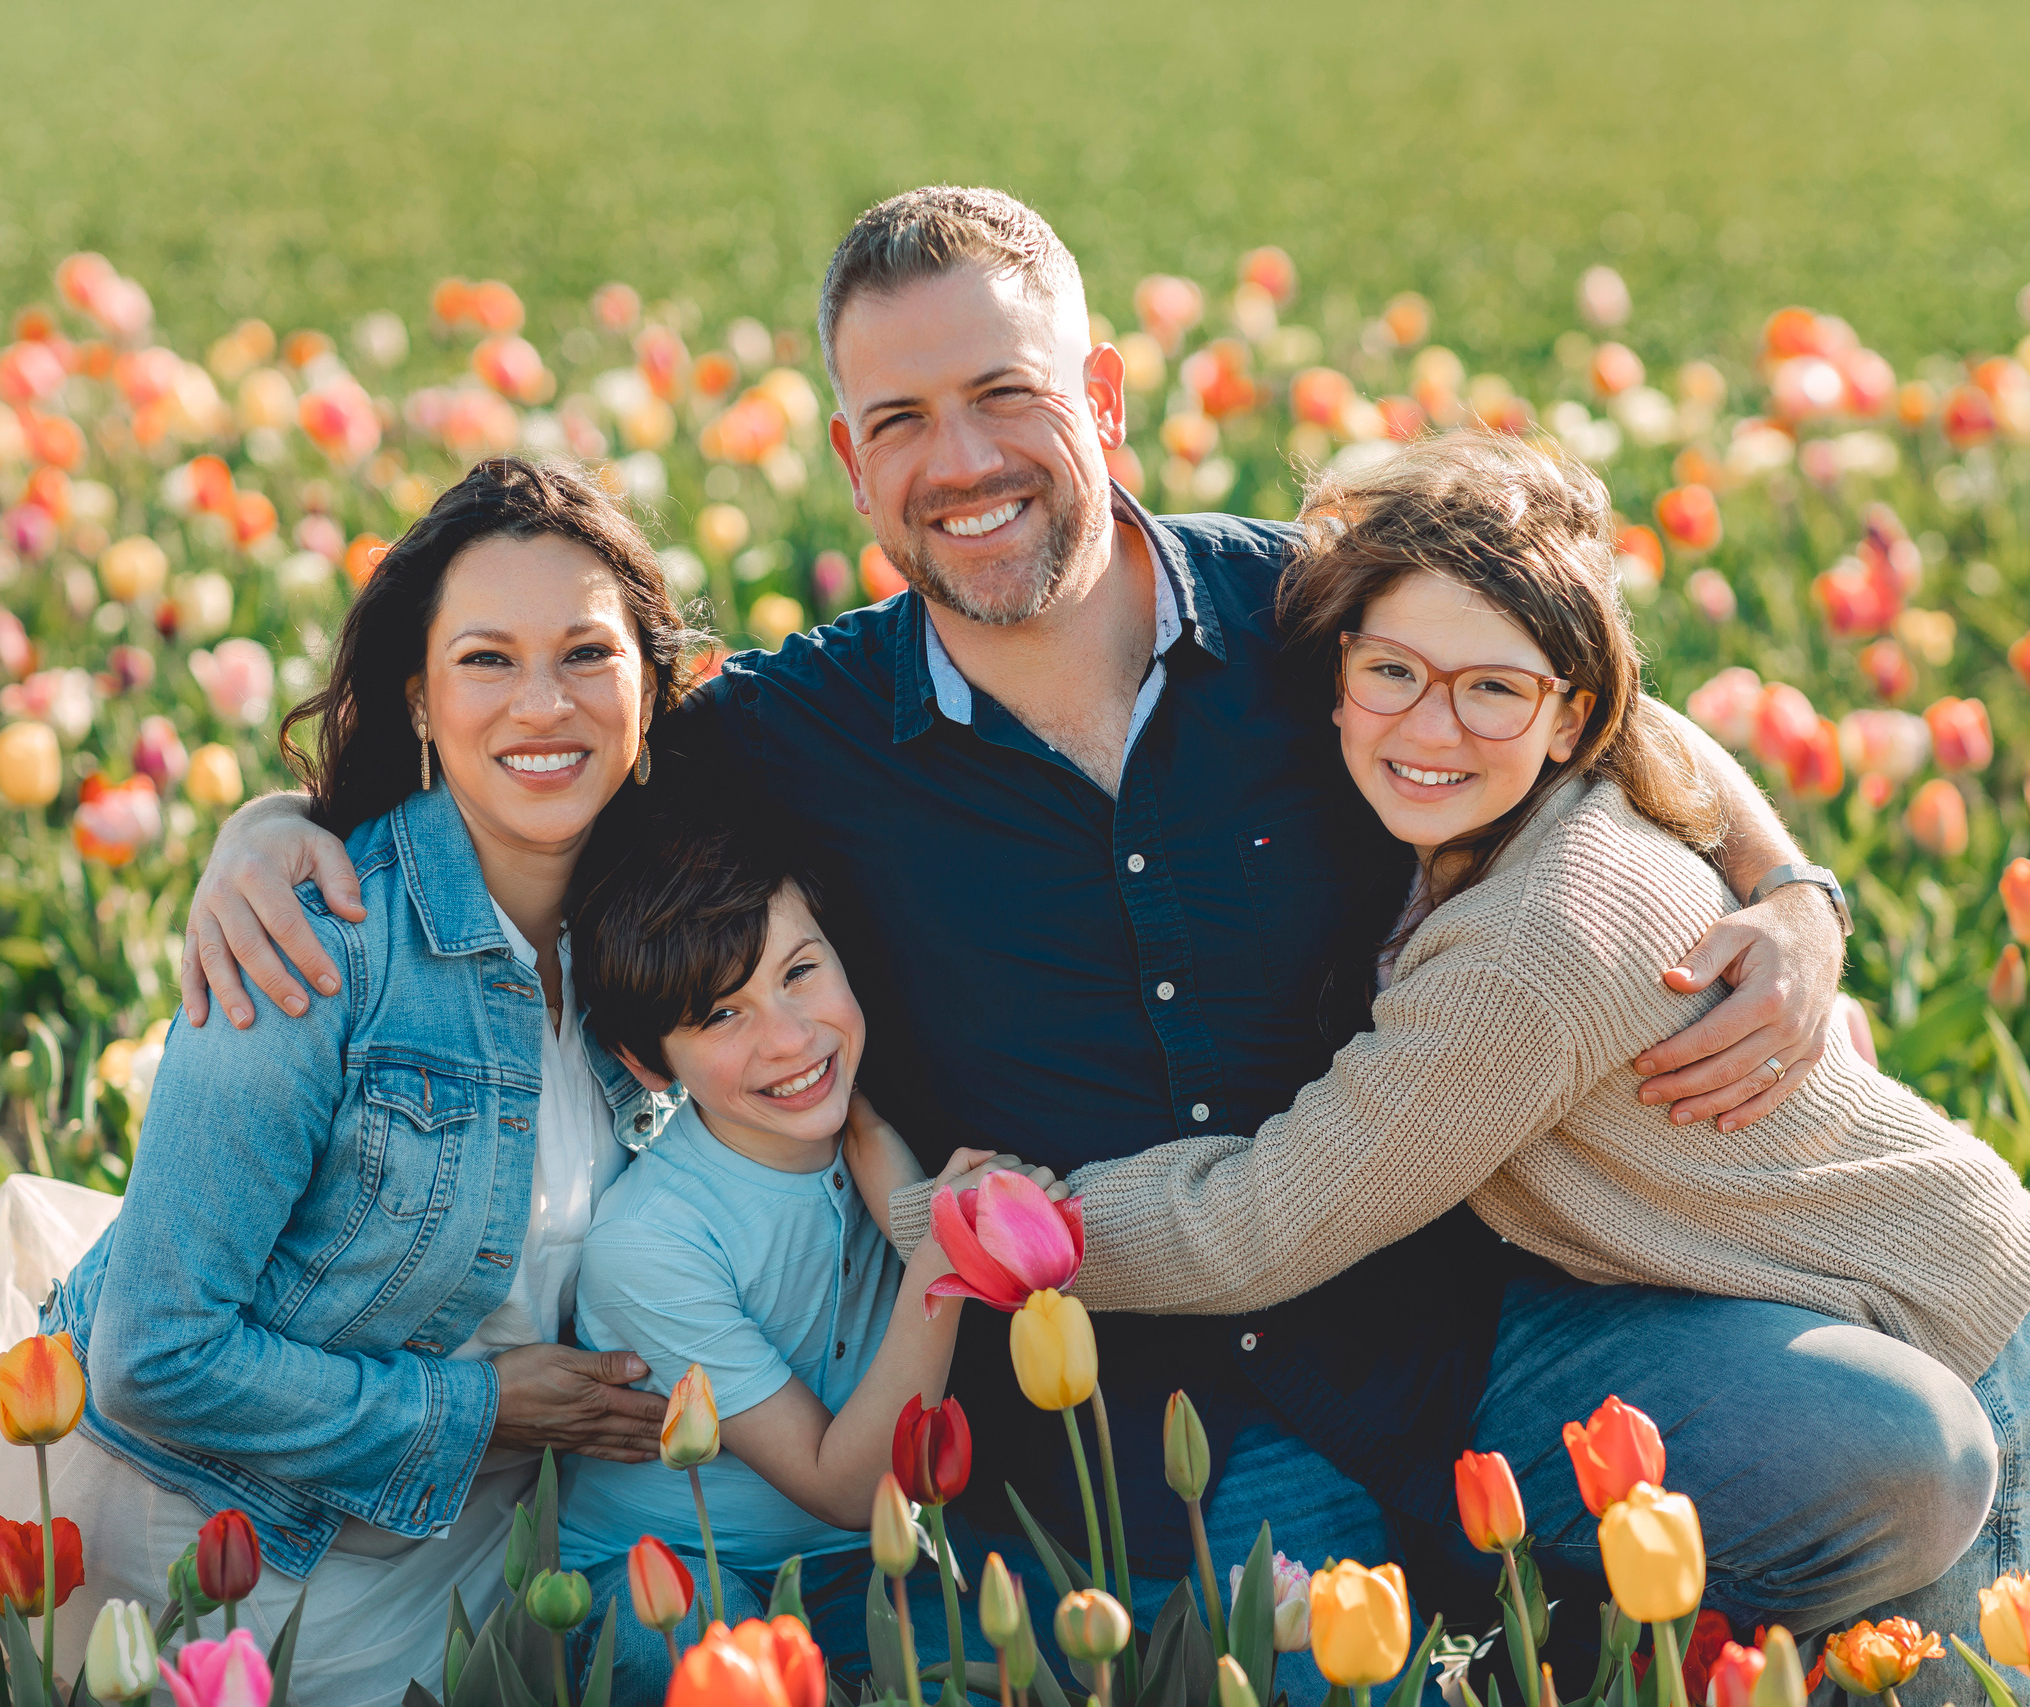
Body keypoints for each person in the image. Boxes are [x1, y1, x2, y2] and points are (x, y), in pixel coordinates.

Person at [177, 186, 1873, 1700]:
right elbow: (536, 747)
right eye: (903, 417)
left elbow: (1581, 692)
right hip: (1127, 1426)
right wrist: (272, 834)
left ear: (1106, 400)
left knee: (1897, 1458)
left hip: (1451, 1319)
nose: (964, 460)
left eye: (1007, 394)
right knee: (1323, 1653)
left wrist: (1794, 890)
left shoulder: (1303, 614)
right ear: (855, 466)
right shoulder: (792, 737)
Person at [854, 432, 2030, 1705]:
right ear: (1340, 674)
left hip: (1983, 1353)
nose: (1433, 724)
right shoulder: (1510, 782)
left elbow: (1254, 1226)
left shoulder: (1533, 947)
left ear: (1568, 711)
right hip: (1818, 1305)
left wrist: (956, 1230)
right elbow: (1667, 732)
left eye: (1489, 691)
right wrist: (1790, 883)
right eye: (1395, 671)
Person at [0, 460, 699, 1705]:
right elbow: (155, 1350)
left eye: (586, 654)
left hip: (494, 1565)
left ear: (649, 685)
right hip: (243, 1567)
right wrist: (477, 1412)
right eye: (486, 660)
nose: (543, 704)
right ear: (417, 698)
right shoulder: (307, 938)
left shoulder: (666, 936)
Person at [556, 827, 1032, 1696]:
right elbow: (840, 1484)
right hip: (675, 1573)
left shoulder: (862, 1123)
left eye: (800, 971)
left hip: (870, 1563)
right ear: (645, 1062)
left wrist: (888, 1155)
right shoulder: (651, 1241)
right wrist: (942, 1262)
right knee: (694, 1652)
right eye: (722, 1014)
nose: (789, 1038)